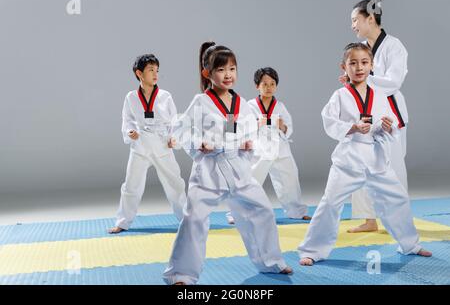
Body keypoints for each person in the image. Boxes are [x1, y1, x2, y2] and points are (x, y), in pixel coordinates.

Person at [162, 42, 292, 285]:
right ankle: (181, 274)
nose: (228, 75)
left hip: (238, 169)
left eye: (232, 68)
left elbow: (248, 130)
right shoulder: (200, 102)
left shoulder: (241, 102)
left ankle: (270, 262)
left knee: (262, 211)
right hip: (209, 171)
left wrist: (247, 144)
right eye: (221, 70)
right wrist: (198, 143)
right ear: (207, 74)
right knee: (194, 220)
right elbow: (180, 129)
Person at [298, 43, 432, 266]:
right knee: (330, 202)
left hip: (376, 157)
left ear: (372, 66)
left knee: (397, 198)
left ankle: (410, 244)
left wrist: (387, 126)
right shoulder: (339, 95)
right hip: (349, 159)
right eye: (353, 63)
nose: (359, 67)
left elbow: (387, 125)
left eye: (364, 62)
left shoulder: (380, 95)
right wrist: (352, 127)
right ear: (344, 67)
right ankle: (313, 250)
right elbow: (329, 121)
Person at [342, 0, 409, 233]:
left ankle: (400, 220)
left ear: (370, 18)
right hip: (366, 113)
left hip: (389, 113)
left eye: (355, 20)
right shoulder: (360, 48)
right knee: (360, 163)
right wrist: (351, 79)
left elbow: (394, 81)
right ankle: (369, 219)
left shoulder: (394, 46)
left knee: (393, 167)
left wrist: (364, 77)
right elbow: (356, 75)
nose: (352, 25)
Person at [108, 54, 186, 234]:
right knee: (131, 185)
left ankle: (187, 219)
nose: (155, 74)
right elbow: (127, 120)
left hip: (162, 144)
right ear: (139, 73)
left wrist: (174, 137)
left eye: (156, 70)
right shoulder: (131, 97)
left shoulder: (165, 96)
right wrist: (130, 132)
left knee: (175, 183)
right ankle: (122, 222)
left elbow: (175, 121)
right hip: (141, 145)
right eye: (151, 70)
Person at [226, 67, 311, 224]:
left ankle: (296, 211)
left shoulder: (280, 106)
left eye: (272, 84)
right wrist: (257, 124)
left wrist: (282, 126)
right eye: (265, 84)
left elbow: (289, 128)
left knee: (289, 179)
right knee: (250, 179)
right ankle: (237, 213)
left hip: (280, 148)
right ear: (257, 85)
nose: (269, 87)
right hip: (259, 148)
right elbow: (237, 126)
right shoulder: (249, 105)